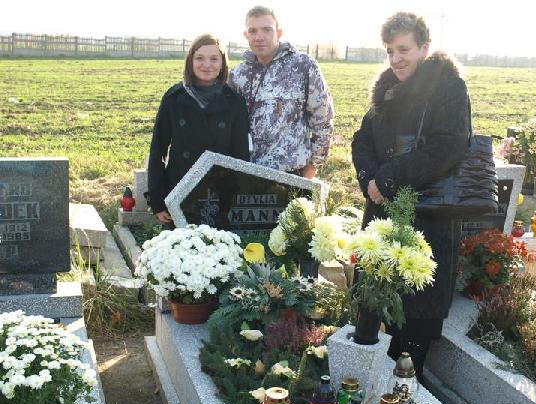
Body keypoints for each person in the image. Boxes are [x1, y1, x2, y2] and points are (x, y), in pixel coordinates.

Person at [351, 12, 470, 382]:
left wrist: (388, 179)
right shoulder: (387, 90)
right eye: (390, 51)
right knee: (374, 305)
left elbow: (447, 147)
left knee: (413, 322)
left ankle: (406, 391)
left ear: (424, 48)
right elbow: (361, 140)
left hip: (426, 221)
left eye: (404, 49)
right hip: (382, 216)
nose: (396, 58)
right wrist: (370, 178)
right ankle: (372, 389)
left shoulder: (447, 89)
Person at [148, 34, 250, 225]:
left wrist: (236, 200)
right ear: (190, 62)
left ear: (222, 63)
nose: (207, 65)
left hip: (220, 197)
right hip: (178, 193)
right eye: (200, 58)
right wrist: (158, 201)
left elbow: (240, 155)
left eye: (214, 59)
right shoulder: (173, 98)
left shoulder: (234, 102)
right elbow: (157, 151)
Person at [229, 5, 334, 179]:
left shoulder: (303, 66)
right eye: (253, 31)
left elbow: (323, 119)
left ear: (278, 33)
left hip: (294, 174)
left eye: (267, 30)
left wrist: (313, 166)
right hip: (249, 174)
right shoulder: (238, 75)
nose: (259, 37)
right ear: (246, 35)